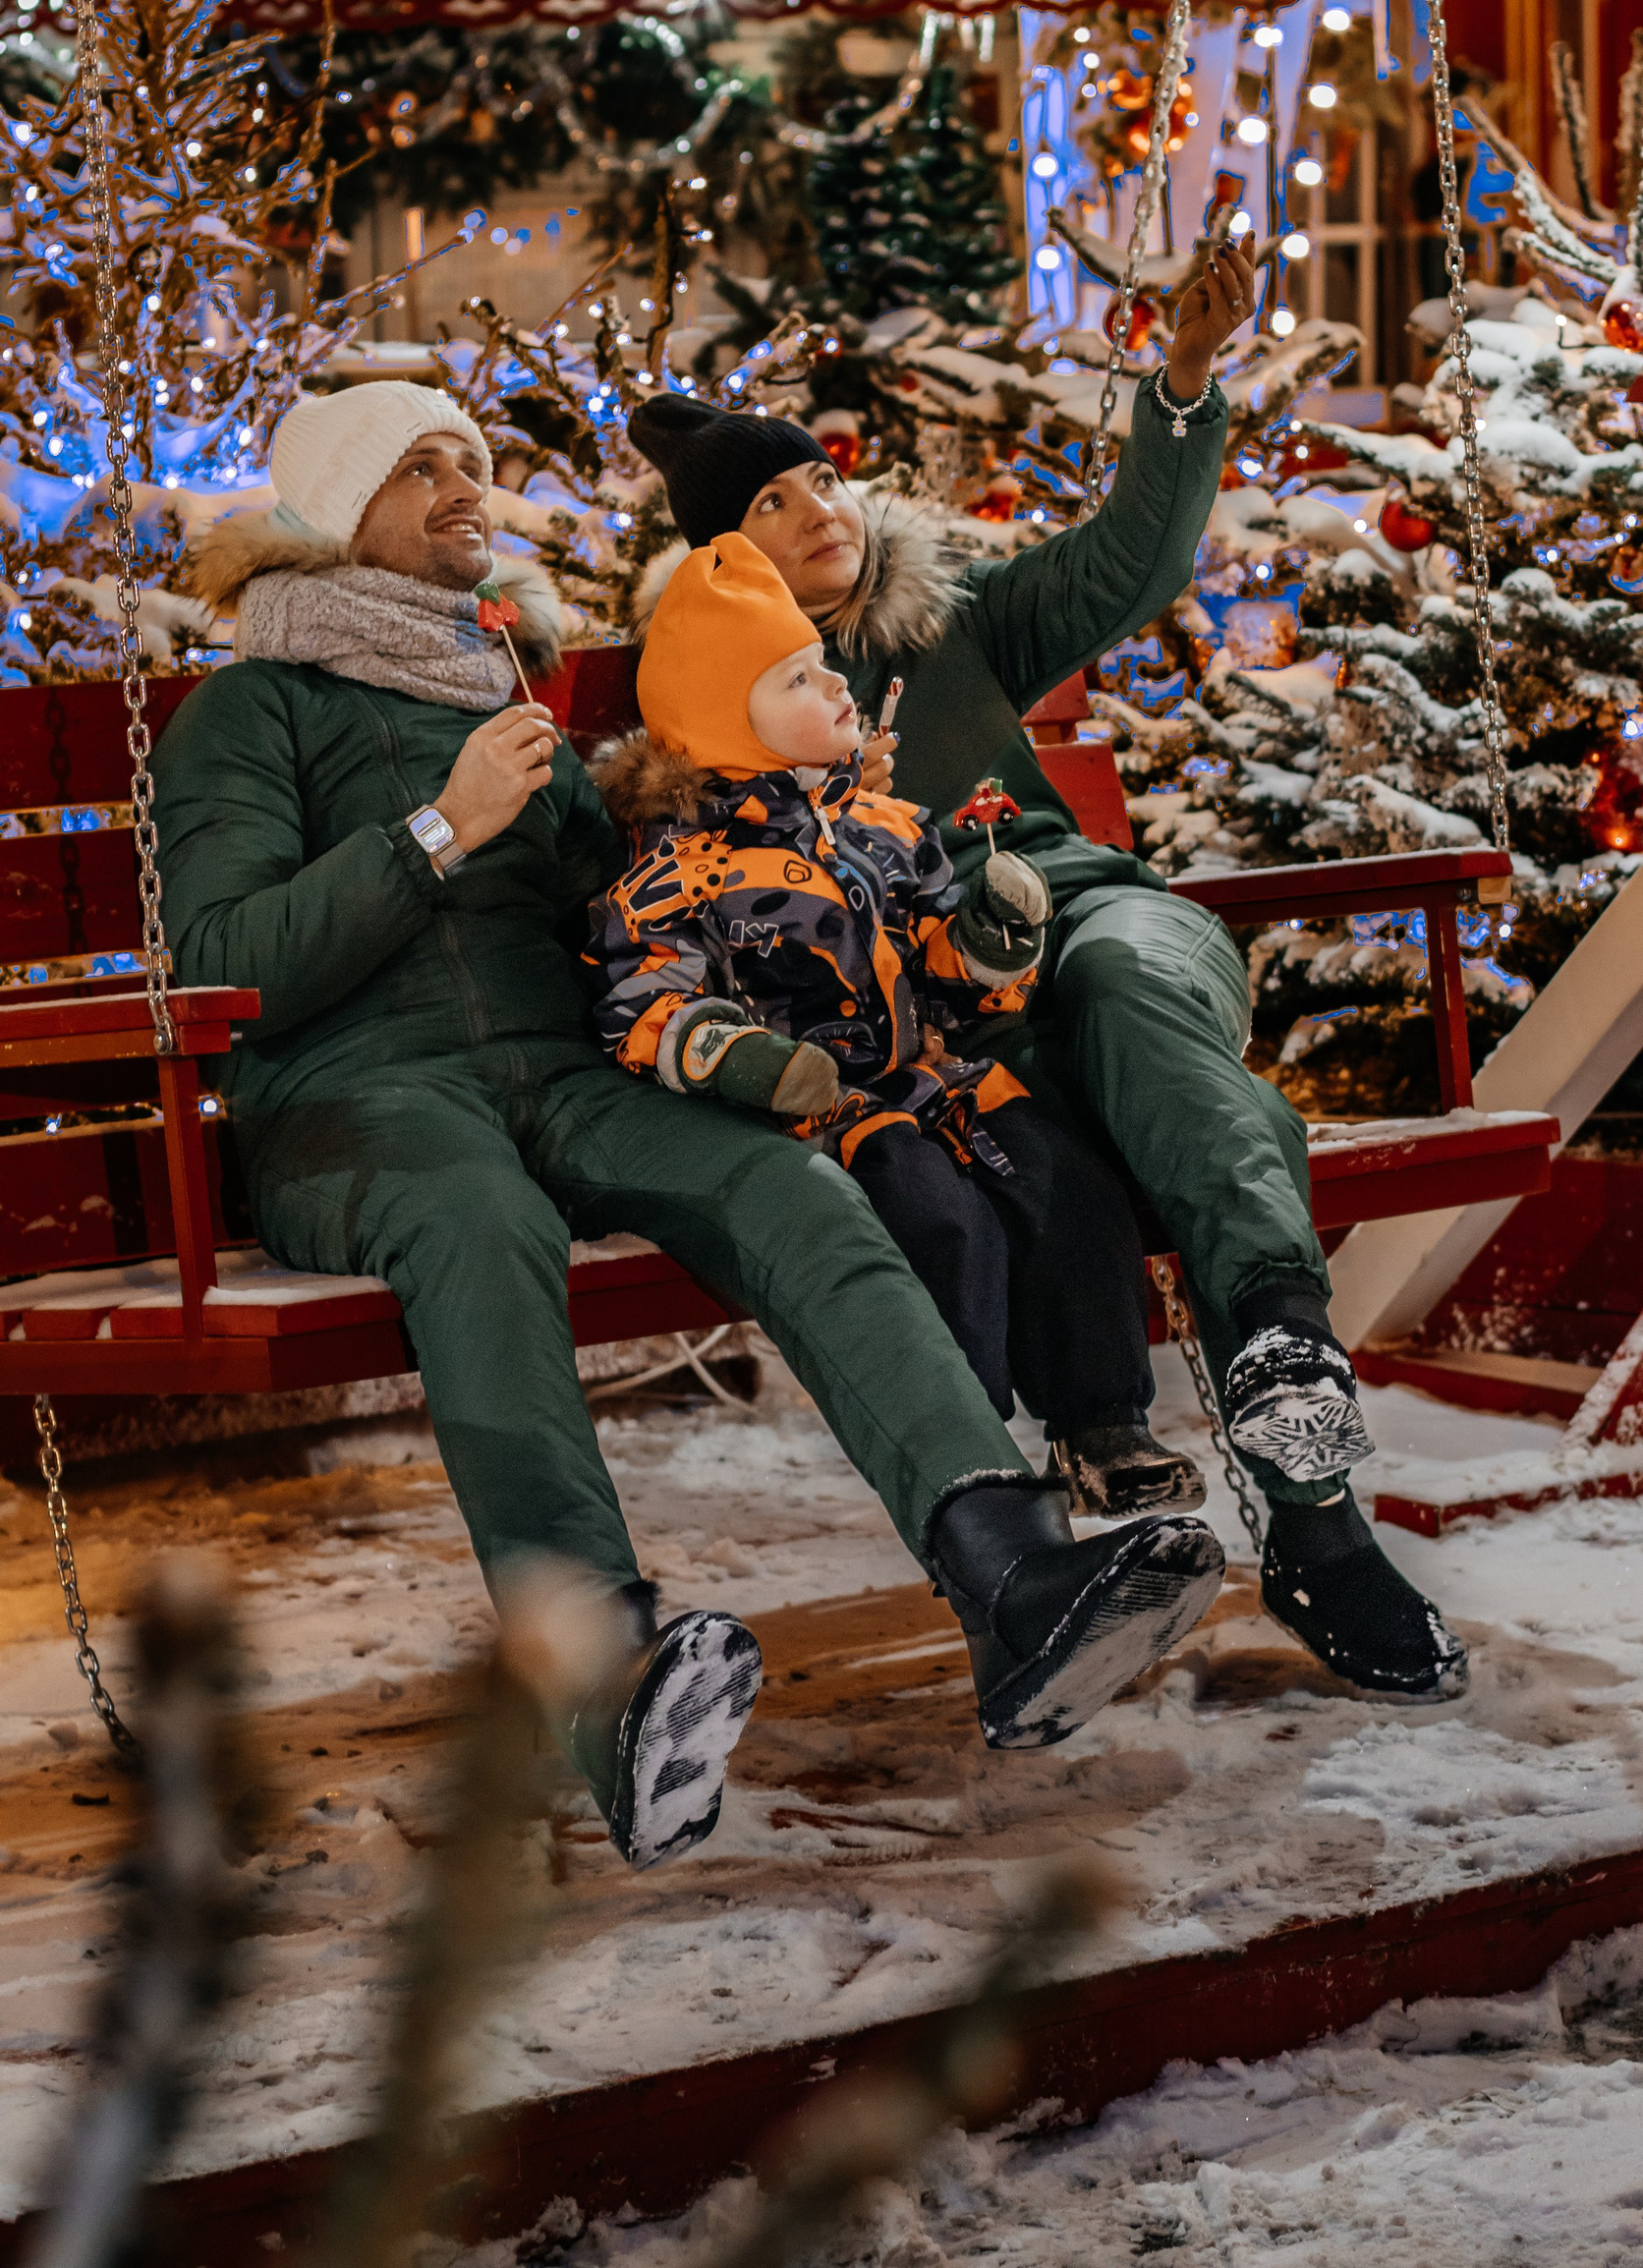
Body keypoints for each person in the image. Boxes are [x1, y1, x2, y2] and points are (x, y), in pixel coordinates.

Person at [157, 381, 1226, 1873]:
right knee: (480, 1226)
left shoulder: (500, 694)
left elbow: (627, 917)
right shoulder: (250, 711)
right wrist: (438, 832)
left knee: (791, 1187)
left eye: (475, 461)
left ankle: (1011, 1575)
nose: (468, 486)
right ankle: (604, 1682)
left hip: (565, 1077)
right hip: (360, 1100)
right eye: (421, 468)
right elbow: (226, 965)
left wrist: (795, 857)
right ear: (338, 513)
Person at [631, 237, 1469, 1703]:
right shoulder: (719, 708)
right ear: (722, 560)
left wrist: (1183, 379)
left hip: (1083, 917)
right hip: (945, 1014)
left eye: (820, 479)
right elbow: (668, 909)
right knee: (1177, 1112)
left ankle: (1286, 1377)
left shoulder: (943, 627)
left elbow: (1128, 559)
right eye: (768, 505)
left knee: (1133, 1001)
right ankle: (1310, 1515)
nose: (817, 509)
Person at [589, 528, 1208, 1533]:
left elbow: (944, 986)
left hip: (936, 1080)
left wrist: (990, 946)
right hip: (824, 1114)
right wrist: (742, 1060)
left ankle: (1105, 1426)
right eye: (798, 679)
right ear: (726, 726)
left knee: (1069, 1187)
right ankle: (970, 1460)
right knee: (938, 1223)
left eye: (822, 664)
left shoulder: (884, 829)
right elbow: (644, 1002)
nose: (838, 686)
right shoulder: (680, 874)